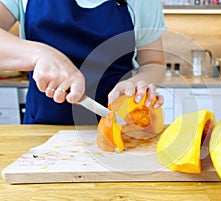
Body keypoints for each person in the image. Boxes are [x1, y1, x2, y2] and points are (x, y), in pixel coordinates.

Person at [0, 0, 166, 124]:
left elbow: (154, 63)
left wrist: (135, 84)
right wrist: (39, 54)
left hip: (117, 128)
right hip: (42, 127)